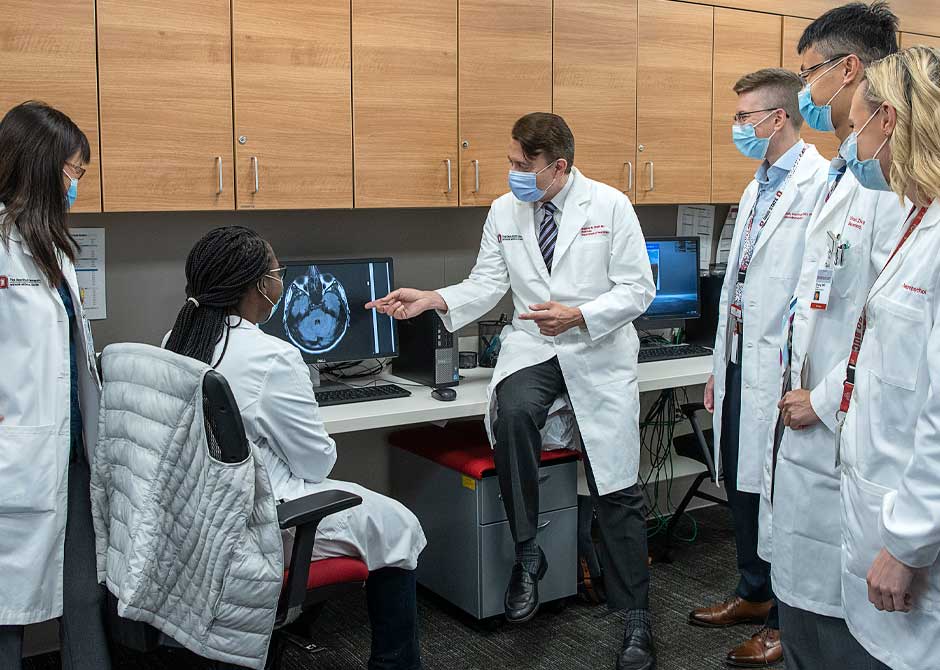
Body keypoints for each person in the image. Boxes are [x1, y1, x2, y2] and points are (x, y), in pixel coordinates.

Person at [367, 112, 657, 670]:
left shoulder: (611, 206)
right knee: (513, 413)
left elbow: (639, 289)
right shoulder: (504, 211)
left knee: (615, 484)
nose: (512, 174)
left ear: (559, 167)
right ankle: (530, 554)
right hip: (535, 347)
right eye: (511, 162)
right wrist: (433, 299)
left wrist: (581, 315)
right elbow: (487, 283)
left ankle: (636, 619)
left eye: (523, 166)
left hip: (595, 349)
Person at [162, 226, 427, 670]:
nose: (279, 283)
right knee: (401, 525)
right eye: (276, 273)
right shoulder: (273, 356)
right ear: (256, 286)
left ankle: (286, 627)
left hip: (198, 519)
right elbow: (316, 461)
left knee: (381, 521)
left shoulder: (176, 338)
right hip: (262, 524)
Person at [758, 4, 905, 668]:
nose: (803, 91)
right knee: (804, 617)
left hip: (842, 431)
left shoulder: (890, 181)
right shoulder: (841, 171)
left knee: (837, 637)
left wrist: (824, 398)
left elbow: (889, 323)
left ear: (849, 70)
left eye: (808, 73)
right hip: (810, 429)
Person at [689, 69, 830, 668]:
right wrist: (720, 364)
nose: (737, 127)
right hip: (743, 360)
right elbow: (738, 285)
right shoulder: (755, 187)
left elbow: (815, 285)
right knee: (742, 481)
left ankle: (781, 619)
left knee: (777, 491)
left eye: (746, 117)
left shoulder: (820, 182)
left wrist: (802, 376)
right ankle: (752, 590)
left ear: (778, 120)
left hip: (786, 366)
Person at [837, 45, 940, 670]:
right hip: (885, 505)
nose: (850, 144)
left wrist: (905, 544)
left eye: (854, 126)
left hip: (917, 539)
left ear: (889, 122)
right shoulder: (917, 218)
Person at [0, 102, 110, 669]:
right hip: (12, 461)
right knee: (3, 618)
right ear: (39, 167)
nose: (75, 185)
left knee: (84, 597)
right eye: (72, 171)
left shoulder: (54, 250)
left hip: (68, 457)